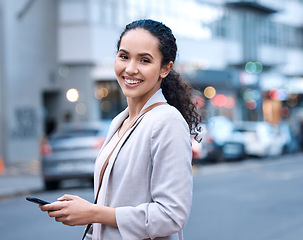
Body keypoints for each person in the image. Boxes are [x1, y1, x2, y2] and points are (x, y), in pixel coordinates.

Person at [40, 19, 202, 240]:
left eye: (144, 60)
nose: (130, 69)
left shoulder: (167, 121)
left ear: (165, 68)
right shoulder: (119, 121)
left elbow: (171, 216)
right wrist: (89, 214)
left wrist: (93, 212)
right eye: (124, 56)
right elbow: (113, 206)